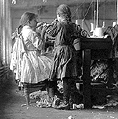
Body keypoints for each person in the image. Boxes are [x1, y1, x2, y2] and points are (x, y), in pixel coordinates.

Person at [43, 4, 86, 110]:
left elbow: (49, 32)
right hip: (70, 51)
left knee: (64, 77)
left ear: (58, 15)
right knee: (68, 77)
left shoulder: (58, 25)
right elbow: (83, 34)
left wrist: (54, 22)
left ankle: (65, 102)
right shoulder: (73, 25)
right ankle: (69, 100)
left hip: (61, 52)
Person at [18, 12, 52, 108]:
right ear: (29, 22)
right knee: (52, 65)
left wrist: (37, 30)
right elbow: (40, 46)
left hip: (27, 57)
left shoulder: (24, 31)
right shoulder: (30, 32)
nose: (36, 21)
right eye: (34, 20)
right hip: (32, 58)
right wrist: (42, 32)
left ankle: (49, 93)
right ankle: (52, 92)